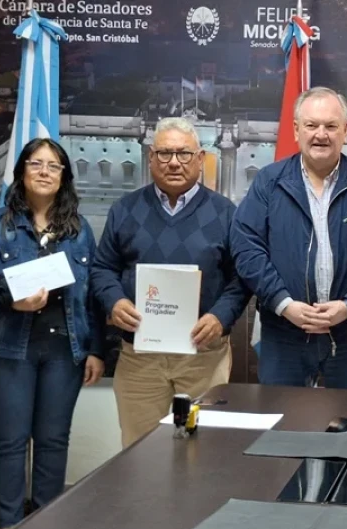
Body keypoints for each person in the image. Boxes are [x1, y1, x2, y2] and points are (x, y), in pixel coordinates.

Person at [0, 138, 105, 529]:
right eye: (36, 164)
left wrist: (95, 350)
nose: (44, 171)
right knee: (9, 440)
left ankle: (44, 524)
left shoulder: (79, 230)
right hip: (7, 350)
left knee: (54, 441)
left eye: (53, 166)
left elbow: (91, 294)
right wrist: (6, 298)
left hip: (64, 351)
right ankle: (8, 526)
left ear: (63, 177)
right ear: (21, 171)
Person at [91, 117, 251, 447]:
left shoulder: (226, 213)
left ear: (200, 158)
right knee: (140, 451)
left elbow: (241, 279)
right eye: (164, 153)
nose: (174, 162)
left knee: (199, 451)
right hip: (140, 359)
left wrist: (221, 317)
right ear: (150, 158)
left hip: (203, 357)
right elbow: (102, 268)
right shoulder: (125, 209)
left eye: (183, 153)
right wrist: (115, 301)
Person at [230, 87, 347, 390]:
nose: (321, 134)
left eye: (331, 126)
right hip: (284, 333)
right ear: (296, 130)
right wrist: (283, 303)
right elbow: (246, 248)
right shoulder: (269, 182)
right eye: (311, 125)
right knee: (283, 428)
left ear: (345, 131)